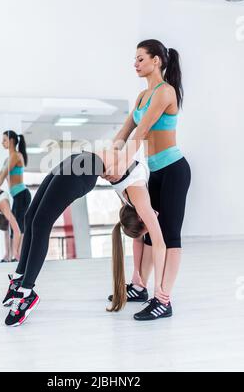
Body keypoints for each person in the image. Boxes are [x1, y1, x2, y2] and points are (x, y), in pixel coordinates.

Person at [2, 149, 169, 327]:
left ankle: (26, 292)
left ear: (141, 217)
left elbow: (159, 244)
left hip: (85, 167)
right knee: (31, 217)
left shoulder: (139, 200)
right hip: (79, 159)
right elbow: (141, 240)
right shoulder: (135, 201)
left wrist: (158, 286)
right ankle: (19, 278)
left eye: (147, 227)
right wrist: (138, 272)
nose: (155, 218)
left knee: (41, 223)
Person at [104, 39, 191, 320]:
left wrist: (120, 165)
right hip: (156, 171)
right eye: (135, 59)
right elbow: (124, 132)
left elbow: (141, 133)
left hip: (175, 171)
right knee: (146, 229)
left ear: (157, 61)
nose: (135, 64)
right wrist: (105, 159)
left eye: (140, 58)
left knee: (169, 236)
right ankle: (139, 286)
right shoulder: (142, 97)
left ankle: (163, 299)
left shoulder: (166, 93)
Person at [0, 131, 31, 260]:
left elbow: (4, 173)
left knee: (19, 226)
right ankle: (12, 255)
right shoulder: (8, 159)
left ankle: (18, 256)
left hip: (22, 195)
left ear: (11, 141)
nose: (2, 142)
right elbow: (0, 176)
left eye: (4, 140)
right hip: (17, 196)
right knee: (14, 226)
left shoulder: (16, 156)